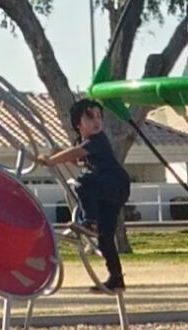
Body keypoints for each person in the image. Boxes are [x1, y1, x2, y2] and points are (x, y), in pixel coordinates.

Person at [38, 99, 130, 293]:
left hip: (114, 183)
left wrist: (52, 160)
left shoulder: (98, 140)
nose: (96, 121)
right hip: (109, 192)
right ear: (78, 124)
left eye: (99, 117)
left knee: (83, 183)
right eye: (90, 117)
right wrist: (58, 153)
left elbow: (77, 154)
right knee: (106, 238)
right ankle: (116, 278)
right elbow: (78, 161)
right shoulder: (83, 143)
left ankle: (89, 221)